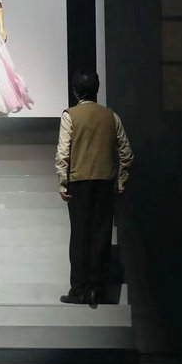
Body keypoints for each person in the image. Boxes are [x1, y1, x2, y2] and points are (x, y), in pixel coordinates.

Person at [55, 68, 133, 309]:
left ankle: (78, 289)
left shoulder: (70, 115)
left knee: (80, 235)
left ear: (75, 90)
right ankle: (96, 290)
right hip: (104, 181)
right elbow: (126, 153)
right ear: (97, 89)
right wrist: (121, 180)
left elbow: (63, 153)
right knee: (101, 236)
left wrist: (63, 182)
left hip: (79, 181)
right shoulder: (111, 116)